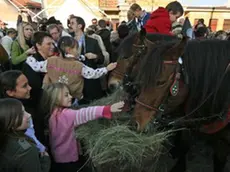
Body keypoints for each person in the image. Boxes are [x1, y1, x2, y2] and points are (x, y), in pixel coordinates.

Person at [41, 82, 124, 172]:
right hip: (69, 158)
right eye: (66, 95)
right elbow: (85, 113)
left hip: (57, 157)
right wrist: (107, 109)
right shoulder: (67, 115)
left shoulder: (51, 115)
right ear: (55, 99)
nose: (70, 97)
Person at [25, 36, 117, 103]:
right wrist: (106, 69)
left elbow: (36, 66)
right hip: (71, 98)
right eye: (76, 48)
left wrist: (29, 57)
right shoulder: (78, 66)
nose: (77, 51)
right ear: (69, 50)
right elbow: (92, 74)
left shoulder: (51, 61)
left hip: (54, 98)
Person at [0, 70, 46, 151]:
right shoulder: (12, 117)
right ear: (10, 92)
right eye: (24, 86)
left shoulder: (28, 102)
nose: (30, 88)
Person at [0, 98, 50, 172]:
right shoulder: (26, 151)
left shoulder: (5, 138)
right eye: (22, 114)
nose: (29, 115)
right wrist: (45, 160)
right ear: (9, 121)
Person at [69, 16, 106, 104]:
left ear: (80, 26)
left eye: (72, 23)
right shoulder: (69, 42)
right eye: (69, 23)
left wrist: (95, 56)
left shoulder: (92, 41)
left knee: (93, 104)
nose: (70, 25)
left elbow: (102, 59)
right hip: (74, 78)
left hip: (90, 80)